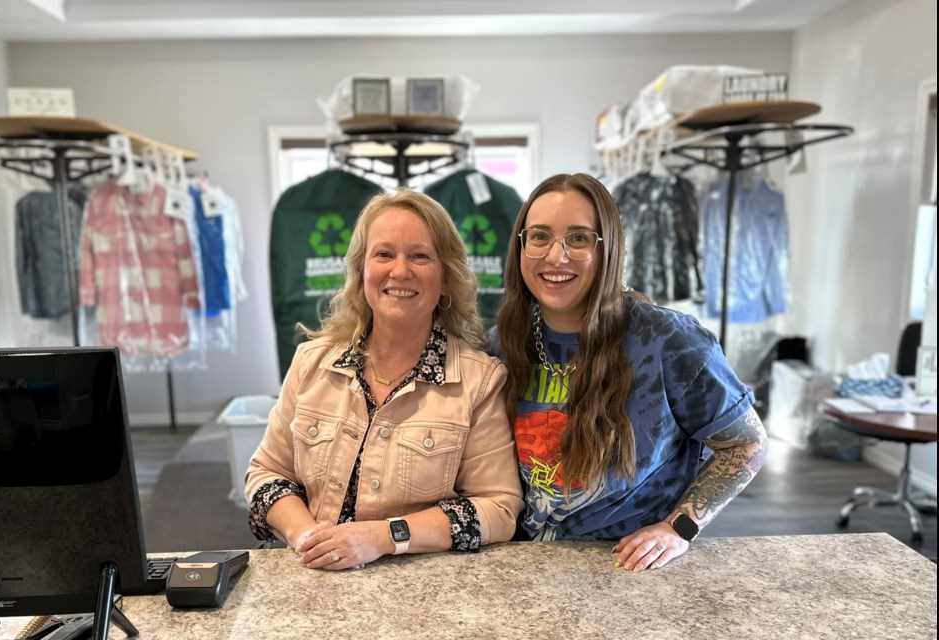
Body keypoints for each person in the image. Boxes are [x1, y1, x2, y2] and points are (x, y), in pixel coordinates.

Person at [493, 173, 768, 572]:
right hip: (522, 562)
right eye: (539, 236)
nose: (556, 256)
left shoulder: (669, 340)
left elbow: (748, 445)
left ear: (609, 250)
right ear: (520, 246)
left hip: (625, 565)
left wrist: (679, 529)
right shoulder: (500, 343)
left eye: (579, 238)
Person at [246, 189, 523, 571]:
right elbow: (266, 473)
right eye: (384, 254)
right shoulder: (311, 362)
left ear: (445, 279)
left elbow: (499, 508)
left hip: (416, 591)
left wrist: (384, 536)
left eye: (420, 256)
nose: (400, 270)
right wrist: (308, 538)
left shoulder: (479, 381)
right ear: (362, 272)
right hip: (309, 575)